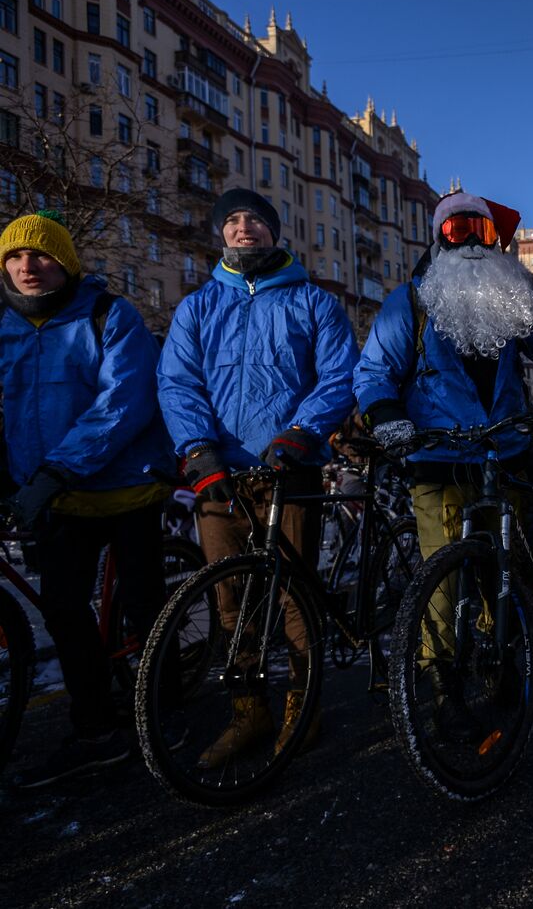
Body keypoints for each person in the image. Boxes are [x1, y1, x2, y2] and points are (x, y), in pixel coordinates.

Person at [354, 188, 533, 738]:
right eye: (458, 231)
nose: (472, 243)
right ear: (439, 238)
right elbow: (373, 371)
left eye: (480, 231)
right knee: (443, 583)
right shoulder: (409, 301)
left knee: (503, 569)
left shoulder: (512, 296)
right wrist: (386, 414)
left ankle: (506, 656)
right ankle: (443, 686)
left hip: (505, 453)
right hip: (438, 457)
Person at [158, 188, 358, 768]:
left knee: (295, 595)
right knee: (229, 599)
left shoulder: (313, 302)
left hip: (287, 470)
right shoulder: (196, 307)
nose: (245, 228)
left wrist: (300, 433)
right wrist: (197, 451)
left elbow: (338, 375)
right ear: (221, 233)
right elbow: (177, 383)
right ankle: (249, 711)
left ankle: (303, 704)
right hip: (220, 478)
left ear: (275, 232)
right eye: (234, 221)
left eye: (256, 221)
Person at [0, 210, 173, 787]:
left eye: (41, 255)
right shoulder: (5, 327)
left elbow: (123, 403)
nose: (28, 267)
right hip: (57, 495)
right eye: (15, 257)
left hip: (124, 485)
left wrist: (56, 470)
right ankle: (95, 729)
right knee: (64, 611)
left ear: (67, 263)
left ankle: (162, 715)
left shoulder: (108, 314)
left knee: (146, 606)